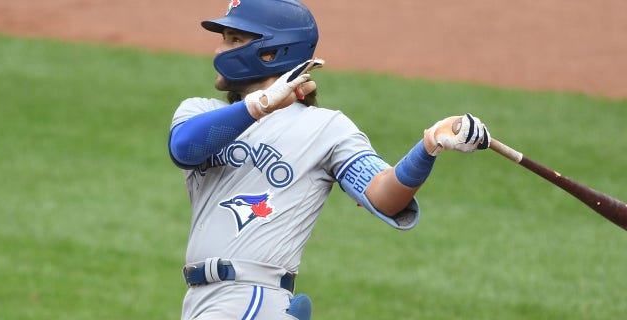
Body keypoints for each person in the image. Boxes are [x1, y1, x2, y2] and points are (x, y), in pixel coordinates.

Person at [168, 0, 491, 319]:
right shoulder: (201, 112)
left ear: (270, 53)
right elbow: (185, 148)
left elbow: (384, 197)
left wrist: (429, 146)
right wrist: (261, 104)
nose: (219, 50)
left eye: (234, 40)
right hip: (199, 300)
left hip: (250, 295)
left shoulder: (325, 128)